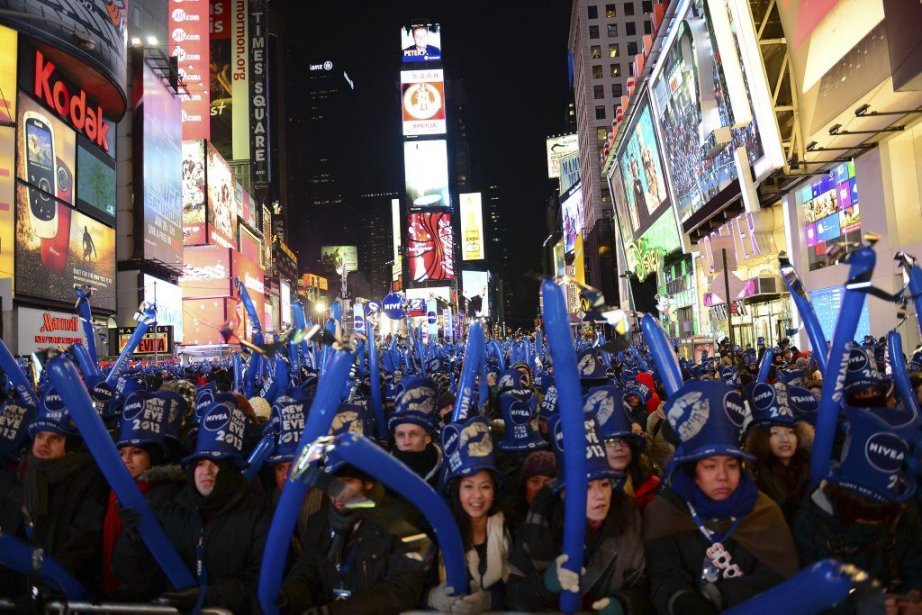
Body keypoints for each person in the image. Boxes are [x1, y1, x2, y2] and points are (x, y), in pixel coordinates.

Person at [643, 381, 799, 614]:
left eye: (731, 465)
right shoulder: (666, 512)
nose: (722, 477)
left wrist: (718, 597)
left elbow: (779, 577)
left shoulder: (764, 510)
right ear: (693, 470)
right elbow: (663, 575)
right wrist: (682, 601)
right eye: (709, 466)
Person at [114, 401, 270, 612]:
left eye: (218, 464)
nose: (207, 471)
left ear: (232, 470)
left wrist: (206, 597)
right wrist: (132, 540)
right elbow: (138, 581)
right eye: (200, 463)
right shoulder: (169, 511)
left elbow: (260, 583)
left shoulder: (258, 515)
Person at [505, 414, 649, 613]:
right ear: (566, 492)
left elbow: (643, 583)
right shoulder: (540, 521)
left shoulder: (628, 517)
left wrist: (623, 603)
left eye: (605, 484)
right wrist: (544, 585)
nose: (600, 496)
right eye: (587, 487)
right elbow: (512, 594)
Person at [793, 408, 922, 612]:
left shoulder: (905, 514)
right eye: (862, 515)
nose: (870, 522)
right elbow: (800, 598)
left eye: (880, 515)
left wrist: (912, 598)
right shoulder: (809, 521)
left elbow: (915, 566)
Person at [278, 460, 430, 614]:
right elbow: (306, 573)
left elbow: (401, 590)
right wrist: (288, 597)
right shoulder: (319, 522)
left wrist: (334, 612)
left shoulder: (404, 523)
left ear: (368, 483)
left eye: (347, 481)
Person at [0, 400, 108, 599]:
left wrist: (50, 586)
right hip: (11, 592)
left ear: (71, 445)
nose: (44, 443)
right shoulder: (14, 477)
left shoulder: (88, 481)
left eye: (55, 438)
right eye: (40, 436)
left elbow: (84, 540)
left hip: (58, 595)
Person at [102, 391, 185, 597]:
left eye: (136, 452)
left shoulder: (166, 496)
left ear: (152, 456)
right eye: (122, 453)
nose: (127, 459)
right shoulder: (115, 488)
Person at [427, 416, 511, 613]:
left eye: (485, 487)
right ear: (457, 491)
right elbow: (415, 587)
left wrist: (490, 601)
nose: (477, 496)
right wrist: (432, 598)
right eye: (468, 487)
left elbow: (520, 589)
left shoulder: (510, 528)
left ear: (494, 491)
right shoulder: (437, 533)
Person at [744, 382, 816, 525]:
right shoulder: (753, 479)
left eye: (790, 432)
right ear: (762, 439)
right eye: (775, 433)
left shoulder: (812, 467)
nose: (785, 439)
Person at [586, 386, 661, 513]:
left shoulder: (652, 486)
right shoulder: (584, 493)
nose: (619, 448)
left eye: (624, 441)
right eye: (610, 442)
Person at [388, 377, 443, 487]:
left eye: (414, 434)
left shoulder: (445, 473)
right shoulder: (381, 474)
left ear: (427, 437)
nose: (406, 442)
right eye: (400, 435)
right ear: (394, 439)